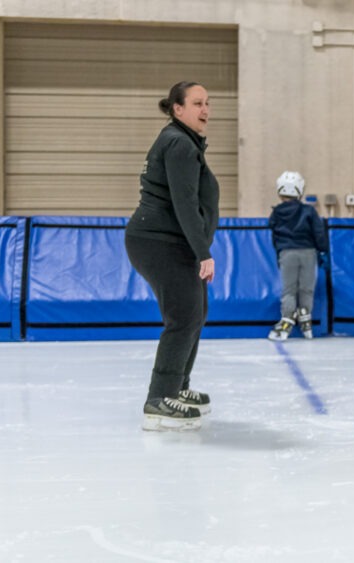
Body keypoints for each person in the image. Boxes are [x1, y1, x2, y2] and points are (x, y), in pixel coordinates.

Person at [125, 81, 219, 431]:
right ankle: (159, 399)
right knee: (183, 316)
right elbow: (184, 204)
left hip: (170, 242)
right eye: (197, 103)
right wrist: (203, 252)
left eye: (208, 103)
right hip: (159, 242)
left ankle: (178, 386)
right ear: (177, 109)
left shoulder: (182, 141)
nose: (205, 109)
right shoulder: (179, 143)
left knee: (196, 312)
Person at [267, 171, 329, 341]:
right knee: (306, 289)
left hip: (287, 253)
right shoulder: (309, 211)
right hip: (308, 253)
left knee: (289, 290)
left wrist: (280, 251)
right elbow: (319, 233)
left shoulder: (276, 213)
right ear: (299, 189)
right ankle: (306, 320)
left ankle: (286, 320)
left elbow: (274, 234)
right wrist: (323, 251)